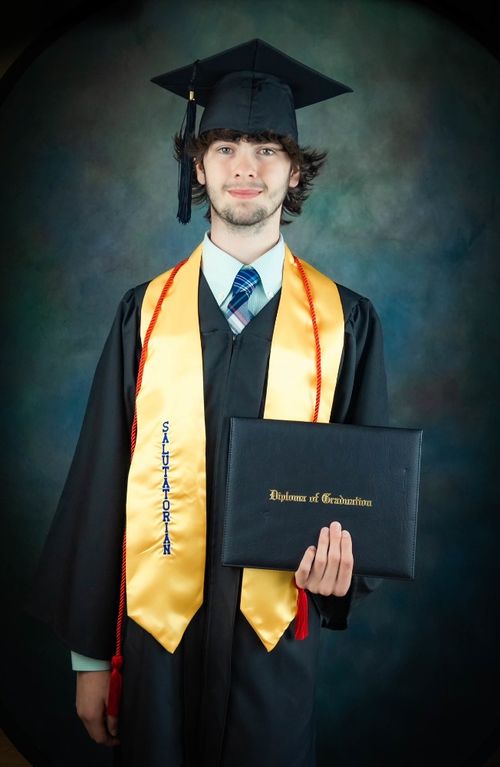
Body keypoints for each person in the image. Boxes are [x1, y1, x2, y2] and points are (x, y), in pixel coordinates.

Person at [29, 39, 388, 767]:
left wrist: (346, 570)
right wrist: (90, 658)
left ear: (294, 170)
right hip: (154, 647)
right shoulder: (144, 315)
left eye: (266, 150)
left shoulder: (346, 322)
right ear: (198, 166)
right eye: (224, 147)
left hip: (272, 646)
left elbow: (371, 493)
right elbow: (100, 483)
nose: (244, 168)